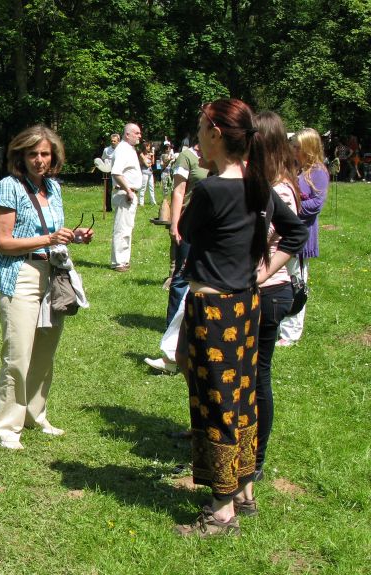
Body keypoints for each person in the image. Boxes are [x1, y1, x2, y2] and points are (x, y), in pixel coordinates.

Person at [174, 99, 306, 537]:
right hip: (245, 305)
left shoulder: (211, 190)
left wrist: (263, 268)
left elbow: (186, 233)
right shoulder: (256, 183)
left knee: (216, 404)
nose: (196, 137)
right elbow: (296, 230)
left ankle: (222, 509)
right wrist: (264, 270)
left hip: (214, 312)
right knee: (242, 396)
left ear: (215, 134)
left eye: (200, 128)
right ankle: (244, 490)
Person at [0, 125, 94, 449]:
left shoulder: (54, 187)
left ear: (54, 157)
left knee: (45, 352)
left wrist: (74, 236)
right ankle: (7, 427)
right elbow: (3, 242)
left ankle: (36, 413)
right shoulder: (9, 187)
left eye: (45, 154)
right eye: (32, 153)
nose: (39, 160)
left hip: (53, 275)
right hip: (20, 274)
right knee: (18, 354)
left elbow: (54, 231)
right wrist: (48, 239)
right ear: (21, 154)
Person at [251, 111, 302, 483]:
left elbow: (289, 238)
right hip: (260, 290)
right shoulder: (264, 182)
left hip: (268, 293)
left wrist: (262, 273)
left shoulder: (280, 188)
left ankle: (255, 460)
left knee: (258, 377)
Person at [144, 140, 209, 374]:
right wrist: (176, 222)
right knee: (182, 276)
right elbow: (179, 190)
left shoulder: (221, 158)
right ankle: (172, 331)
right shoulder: (187, 157)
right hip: (190, 225)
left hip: (210, 229)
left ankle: (187, 342)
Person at [277, 128, 329, 347]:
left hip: (302, 236)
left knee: (296, 284)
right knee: (285, 280)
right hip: (288, 232)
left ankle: (291, 333)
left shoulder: (318, 171)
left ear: (308, 148)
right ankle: (281, 324)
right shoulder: (299, 169)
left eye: (298, 147)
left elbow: (316, 204)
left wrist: (291, 207)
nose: (294, 150)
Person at [109, 123, 142, 272]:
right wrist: (128, 190)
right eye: (137, 133)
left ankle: (123, 260)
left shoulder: (128, 149)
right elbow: (116, 172)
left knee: (127, 228)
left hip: (127, 193)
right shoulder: (123, 149)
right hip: (124, 194)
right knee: (122, 228)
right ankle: (118, 262)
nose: (139, 136)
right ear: (127, 134)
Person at [101, 133, 120, 212]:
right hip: (108, 171)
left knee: (117, 189)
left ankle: (118, 206)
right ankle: (108, 207)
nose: (112, 142)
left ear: (118, 141)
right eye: (111, 141)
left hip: (117, 172)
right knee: (108, 190)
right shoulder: (106, 150)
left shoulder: (120, 150)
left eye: (114, 141)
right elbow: (103, 159)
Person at [138, 141, 156, 205]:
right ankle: (141, 203)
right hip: (144, 172)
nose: (149, 147)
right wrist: (149, 162)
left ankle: (153, 202)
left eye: (149, 146)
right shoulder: (141, 154)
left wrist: (153, 155)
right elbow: (146, 165)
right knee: (143, 187)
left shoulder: (149, 154)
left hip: (150, 172)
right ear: (144, 147)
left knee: (152, 187)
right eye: (147, 146)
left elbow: (153, 163)